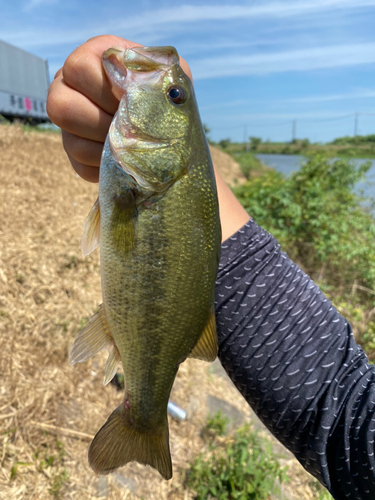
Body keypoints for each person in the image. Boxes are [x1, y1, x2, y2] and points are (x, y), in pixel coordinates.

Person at [47, 35, 375, 500]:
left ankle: (144, 418)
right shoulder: (354, 425)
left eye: (174, 98)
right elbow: (341, 401)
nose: (171, 89)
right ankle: (145, 411)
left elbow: (340, 408)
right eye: (176, 98)